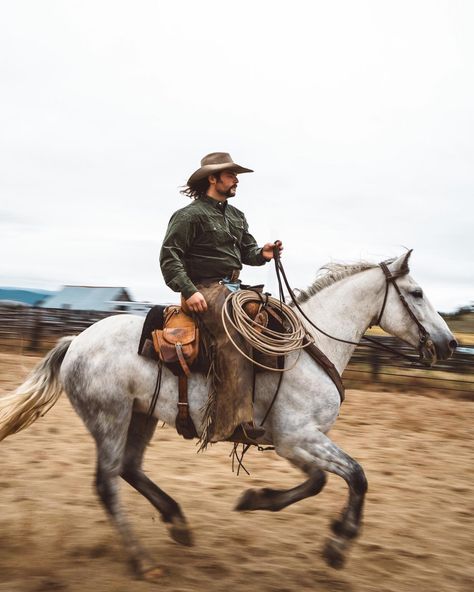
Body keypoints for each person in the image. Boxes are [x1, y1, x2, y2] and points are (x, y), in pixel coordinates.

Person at [160, 152, 282, 445]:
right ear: (212, 179)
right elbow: (170, 256)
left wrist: (262, 254)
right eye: (230, 175)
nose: (236, 179)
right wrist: (190, 291)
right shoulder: (189, 216)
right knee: (234, 336)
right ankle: (232, 421)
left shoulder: (237, 216)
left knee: (273, 317)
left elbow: (247, 252)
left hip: (234, 287)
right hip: (204, 288)